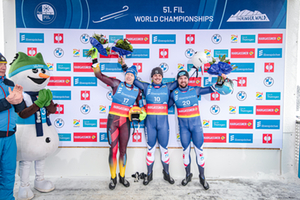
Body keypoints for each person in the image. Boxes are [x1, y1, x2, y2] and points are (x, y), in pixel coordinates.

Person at [90, 51, 145, 190]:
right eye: (127, 74)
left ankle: (122, 177)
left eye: (132, 75)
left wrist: (141, 113)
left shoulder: (138, 91)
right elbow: (99, 75)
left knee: (123, 151)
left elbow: (141, 108)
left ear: (135, 77)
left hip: (125, 122)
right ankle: (113, 177)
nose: (129, 76)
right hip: (113, 121)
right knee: (113, 150)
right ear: (125, 75)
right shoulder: (116, 83)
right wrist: (94, 59)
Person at [120, 57, 177, 185]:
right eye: (155, 75)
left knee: (164, 149)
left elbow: (182, 81)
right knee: (150, 149)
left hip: (163, 125)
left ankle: (166, 174)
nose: (157, 77)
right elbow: (132, 79)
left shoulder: (168, 87)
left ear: (162, 77)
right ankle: (149, 175)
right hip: (150, 125)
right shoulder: (146, 87)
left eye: (159, 75)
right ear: (152, 77)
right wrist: (124, 67)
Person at [168, 70, 226, 190]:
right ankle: (188, 175)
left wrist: (221, 79)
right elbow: (164, 106)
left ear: (188, 79)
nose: (183, 80)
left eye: (185, 78)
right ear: (177, 80)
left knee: (199, 152)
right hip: (184, 129)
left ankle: (202, 177)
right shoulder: (174, 93)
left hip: (196, 128)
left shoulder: (195, 90)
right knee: (185, 152)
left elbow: (212, 88)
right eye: (180, 79)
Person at [0, 53, 25, 200]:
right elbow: (7, 103)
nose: (3, 67)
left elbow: (18, 109)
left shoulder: (9, 84)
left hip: (10, 137)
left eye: (4, 64)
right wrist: (8, 101)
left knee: (9, 172)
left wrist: (19, 100)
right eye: (0, 64)